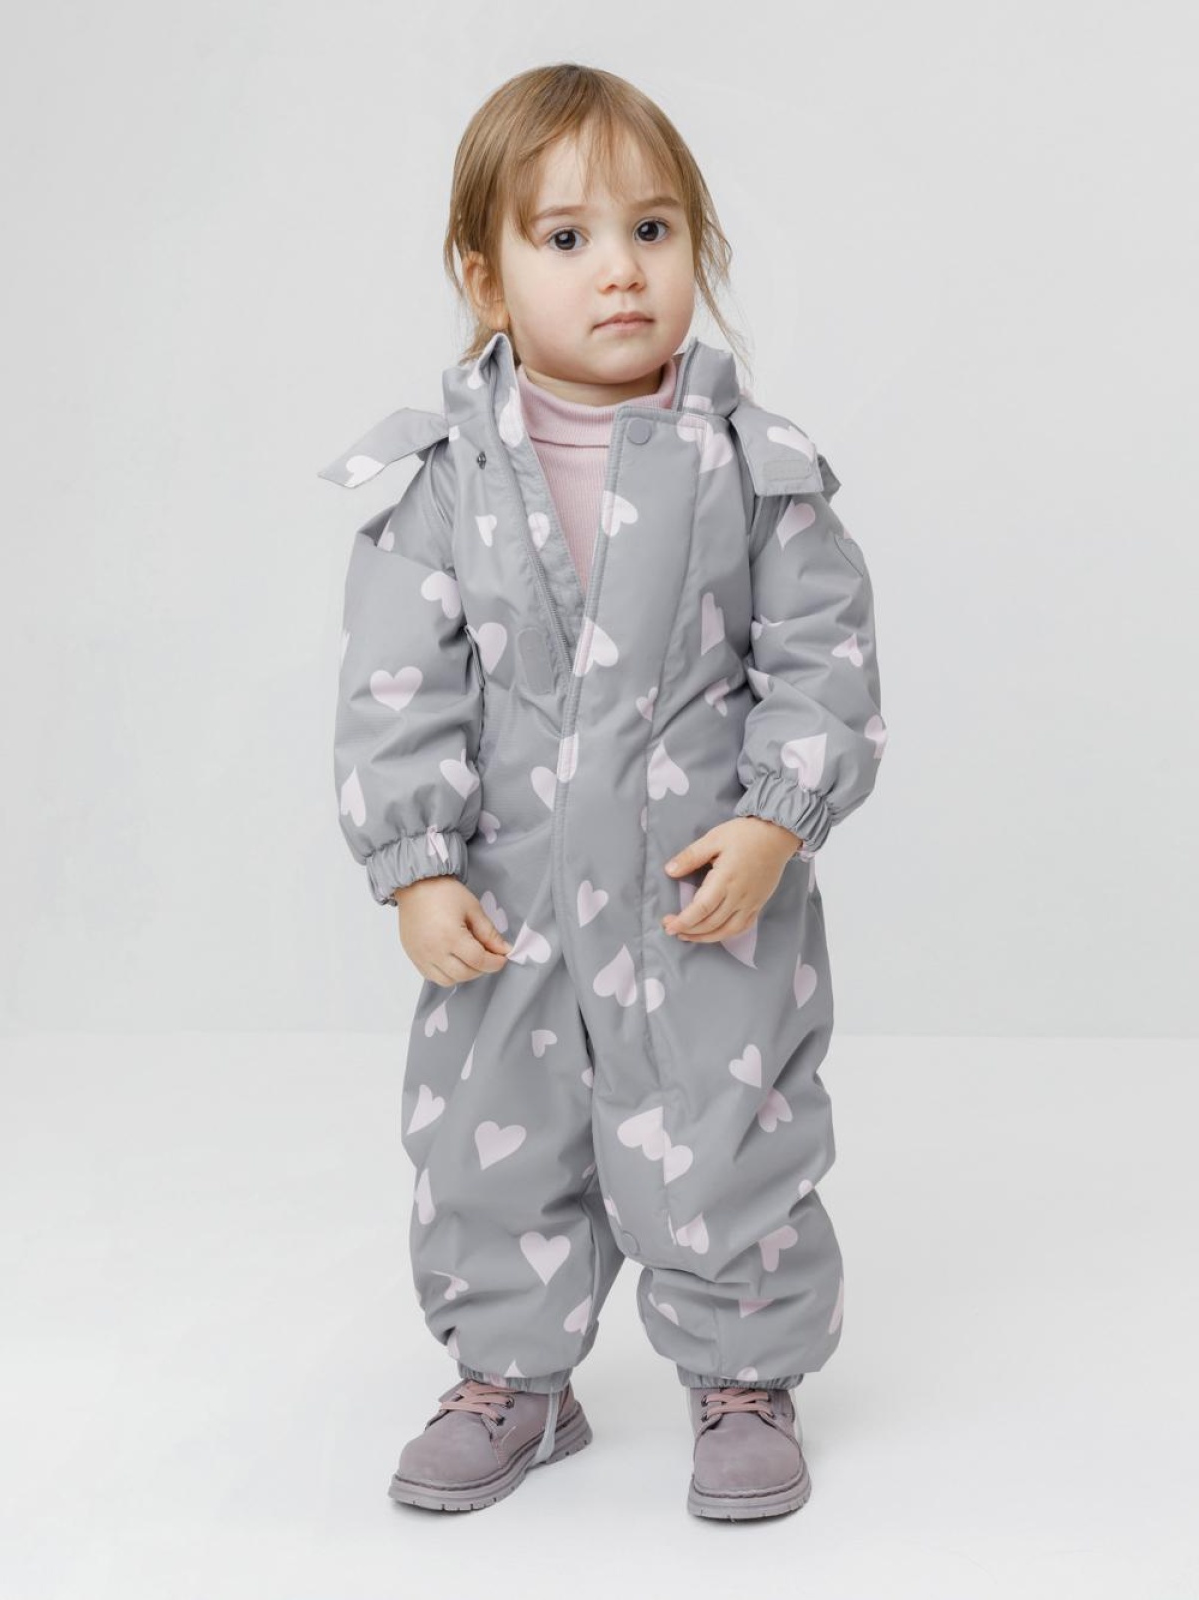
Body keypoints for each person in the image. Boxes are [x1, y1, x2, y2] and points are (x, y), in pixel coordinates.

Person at [320, 63, 888, 1520]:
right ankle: (511, 1376)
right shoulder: (445, 482)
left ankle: (745, 1374)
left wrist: (775, 819)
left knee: (729, 1122)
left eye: (652, 230)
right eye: (565, 238)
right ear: (485, 278)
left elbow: (822, 657)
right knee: (487, 1130)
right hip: (507, 903)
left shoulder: (754, 468)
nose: (619, 270)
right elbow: (396, 682)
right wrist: (417, 864)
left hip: (700, 895)